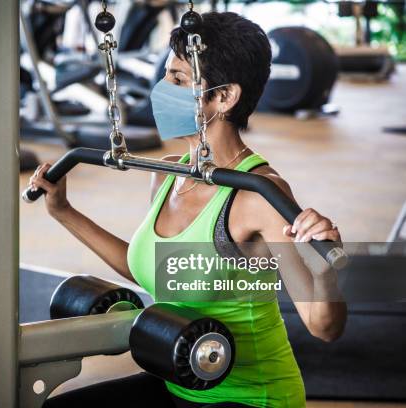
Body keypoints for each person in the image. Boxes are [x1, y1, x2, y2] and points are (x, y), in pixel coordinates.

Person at [30, 11, 346, 408]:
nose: (160, 88)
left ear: (225, 97)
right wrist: (64, 211)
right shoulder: (166, 173)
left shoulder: (257, 194)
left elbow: (324, 327)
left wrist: (324, 274)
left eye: (178, 79)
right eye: (166, 75)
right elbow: (159, 272)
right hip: (179, 384)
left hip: (250, 397)